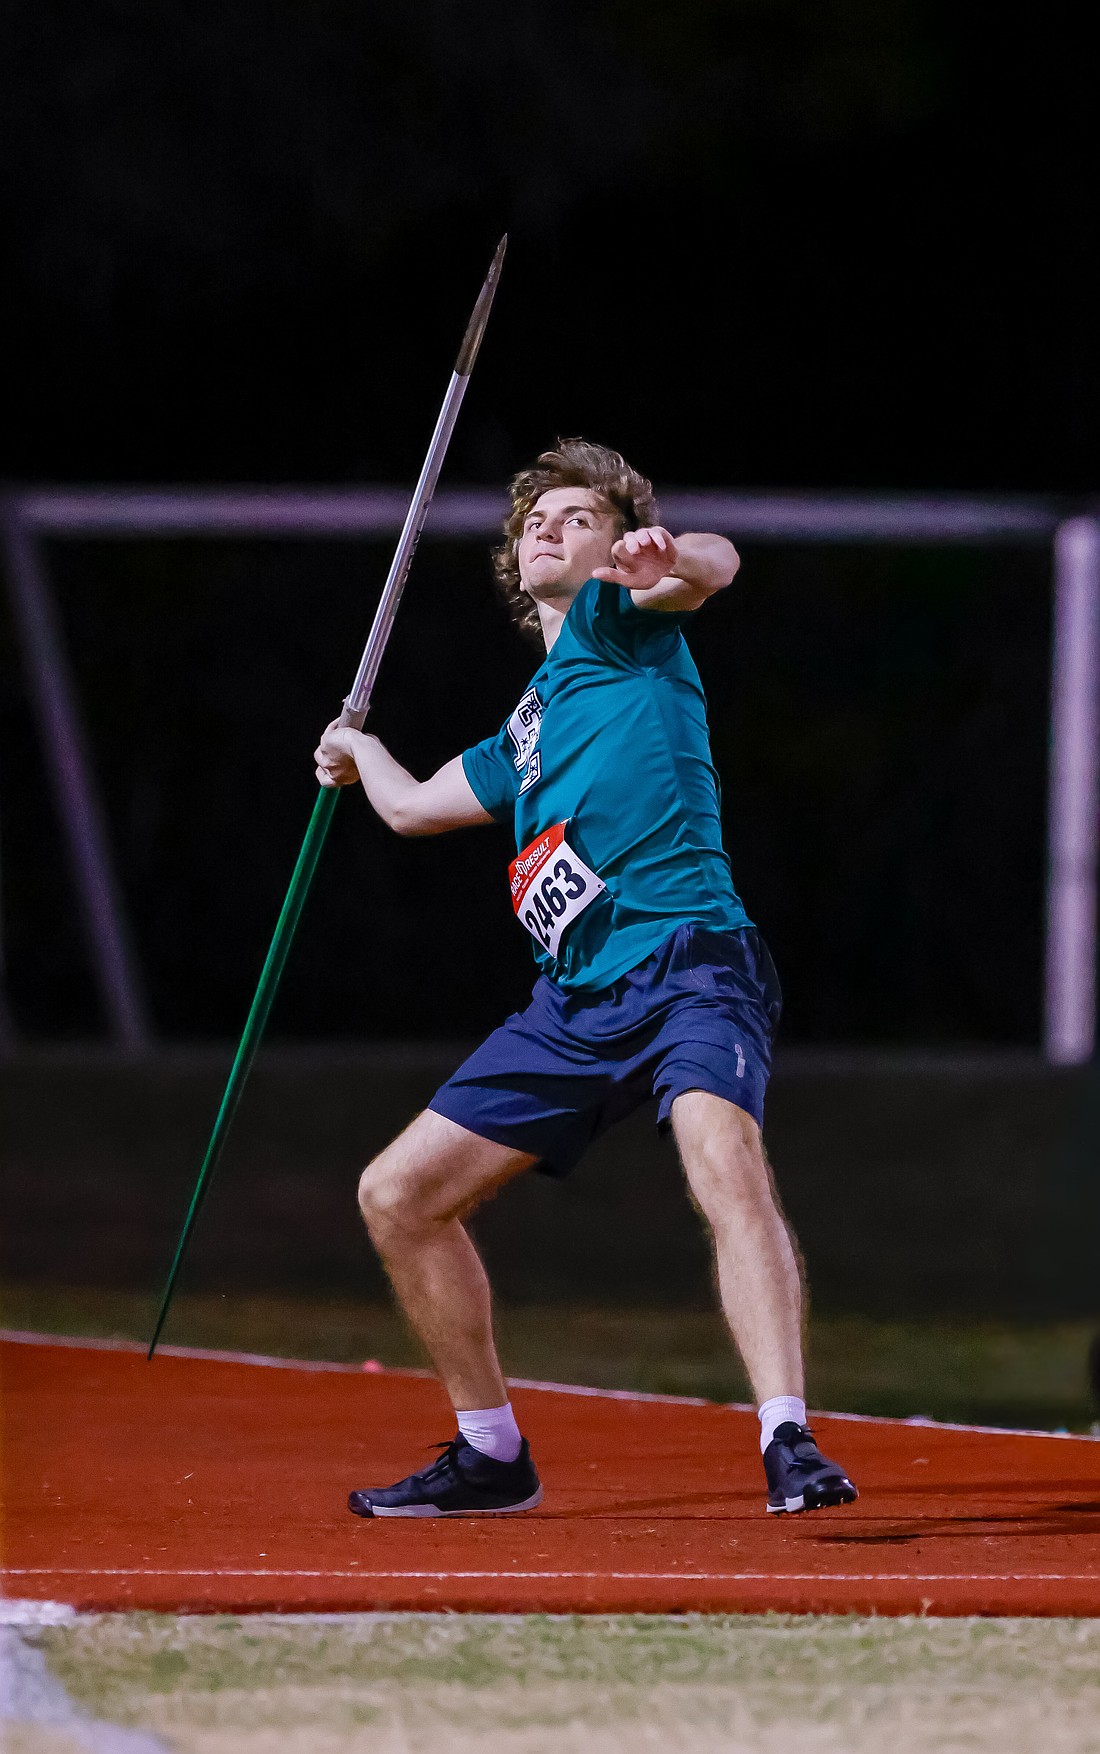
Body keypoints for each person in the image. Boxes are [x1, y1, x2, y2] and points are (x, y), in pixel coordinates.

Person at [314, 438, 856, 1519]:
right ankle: (490, 1453)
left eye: (578, 517)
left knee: (723, 1156)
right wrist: (355, 750)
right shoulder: (525, 724)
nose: (549, 529)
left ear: (615, 547)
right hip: (571, 1004)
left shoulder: (625, 627)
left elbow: (716, 564)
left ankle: (786, 1436)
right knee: (397, 1196)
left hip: (689, 961)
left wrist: (671, 555)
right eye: (536, 521)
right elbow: (414, 808)